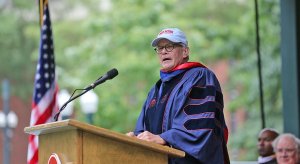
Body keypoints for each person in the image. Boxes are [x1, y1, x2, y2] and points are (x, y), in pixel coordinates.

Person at [126, 27, 230, 164]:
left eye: (169, 46)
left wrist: (165, 138)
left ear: (185, 51)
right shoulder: (156, 89)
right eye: (159, 48)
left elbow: (201, 125)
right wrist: (136, 137)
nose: (163, 51)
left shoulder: (200, 76)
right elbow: (144, 129)